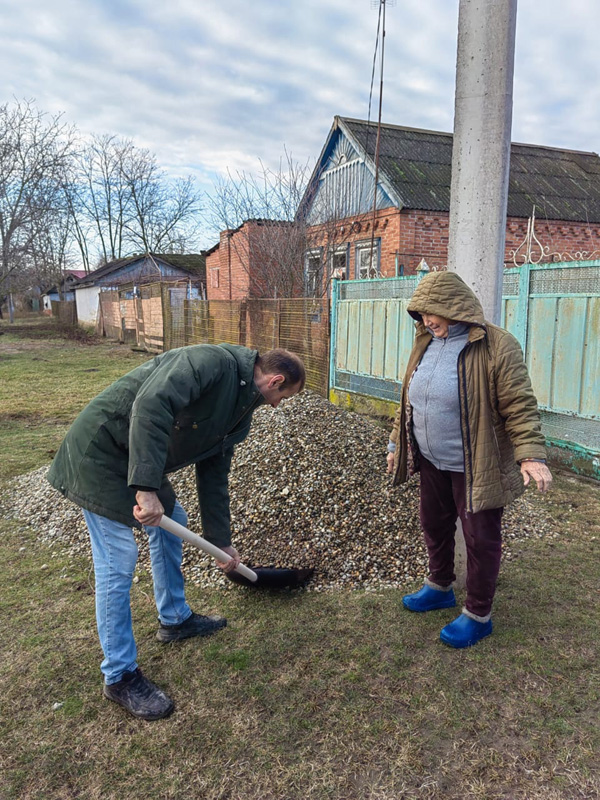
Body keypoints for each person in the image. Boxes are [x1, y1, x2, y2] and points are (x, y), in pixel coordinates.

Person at [48, 344, 305, 720]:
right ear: (275, 380)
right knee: (118, 560)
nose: (279, 404)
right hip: (102, 453)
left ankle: (175, 619)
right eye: (284, 396)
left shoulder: (240, 411)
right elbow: (151, 405)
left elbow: (215, 474)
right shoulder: (210, 364)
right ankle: (119, 675)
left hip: (136, 457)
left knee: (173, 525)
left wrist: (222, 541)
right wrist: (146, 487)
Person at [387, 270, 552, 649]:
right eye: (422, 314)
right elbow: (409, 398)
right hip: (431, 458)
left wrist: (530, 454)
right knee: (433, 521)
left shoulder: (496, 345)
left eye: (433, 313)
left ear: (455, 307)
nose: (427, 320)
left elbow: (519, 405)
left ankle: (478, 614)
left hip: (474, 463)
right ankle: (440, 586)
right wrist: (396, 442)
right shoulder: (425, 341)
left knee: (480, 537)